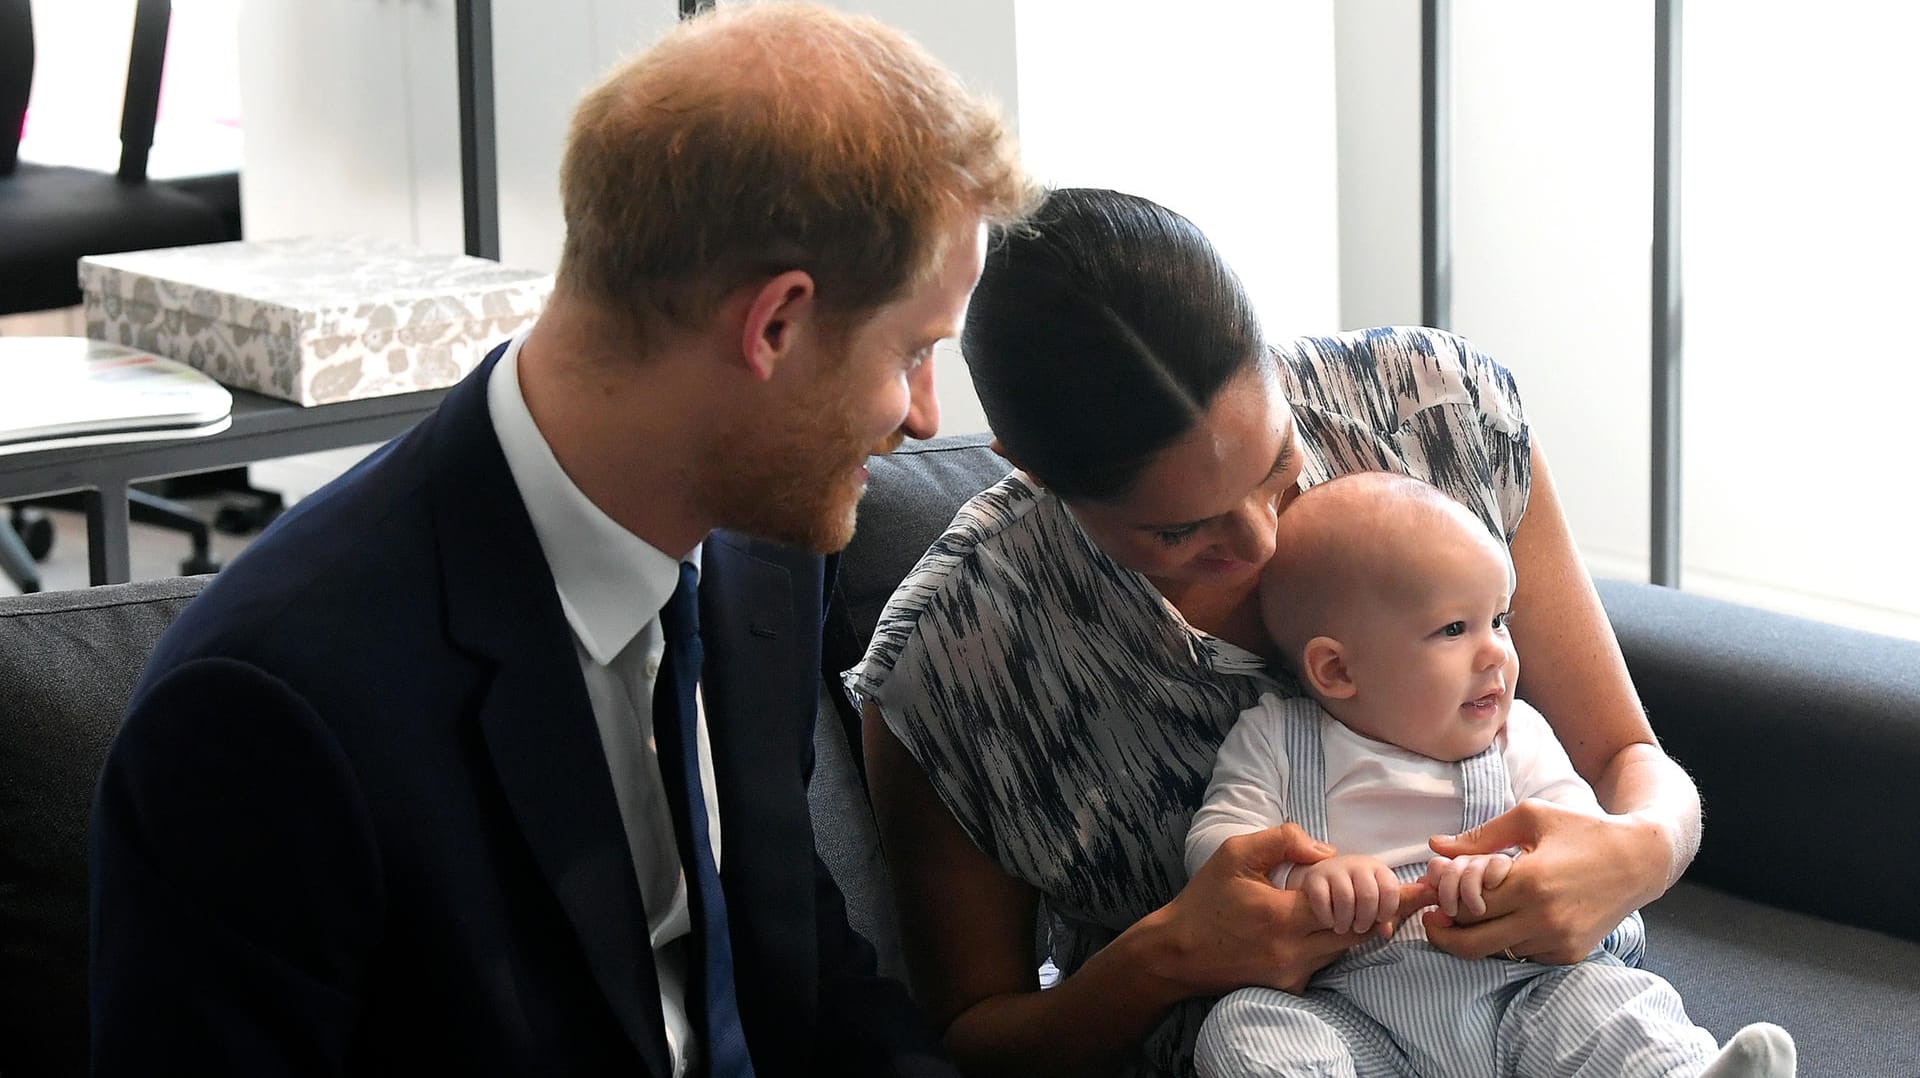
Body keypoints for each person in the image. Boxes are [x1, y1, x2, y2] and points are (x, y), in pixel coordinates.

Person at [88, 4, 1035, 1074]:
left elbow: (796, 957)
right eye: (913, 350)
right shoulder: (266, 712)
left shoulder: (764, 552)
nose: (922, 414)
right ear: (773, 324)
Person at [849, 187, 1708, 1077]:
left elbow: (1620, 755)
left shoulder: (1435, 418)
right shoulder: (954, 658)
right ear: (1031, 473)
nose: (1261, 541)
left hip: (1545, 1012)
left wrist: (1643, 852)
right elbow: (972, 1037)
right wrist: (1169, 957)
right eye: (1179, 533)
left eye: (1277, 463)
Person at [1183, 471, 1794, 1078]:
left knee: (1615, 1009)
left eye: (1498, 619)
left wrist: (1512, 870)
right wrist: (1308, 877)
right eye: (1454, 629)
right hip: (1355, 1012)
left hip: (1526, 990)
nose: (1496, 651)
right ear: (1337, 670)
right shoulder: (1274, 737)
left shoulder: (1517, 736)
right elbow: (1217, 849)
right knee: (1244, 1028)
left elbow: (1577, 832)